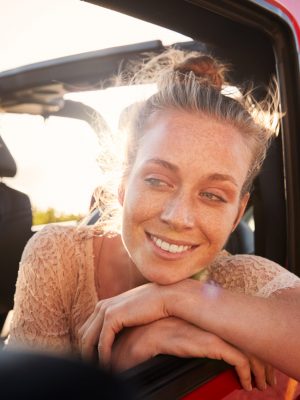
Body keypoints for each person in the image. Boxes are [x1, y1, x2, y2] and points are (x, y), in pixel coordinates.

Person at [6, 51, 300, 396]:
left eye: (213, 196)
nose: (178, 217)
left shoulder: (239, 280)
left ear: (237, 213)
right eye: (158, 181)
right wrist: (120, 363)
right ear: (123, 184)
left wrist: (178, 298)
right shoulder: (59, 256)